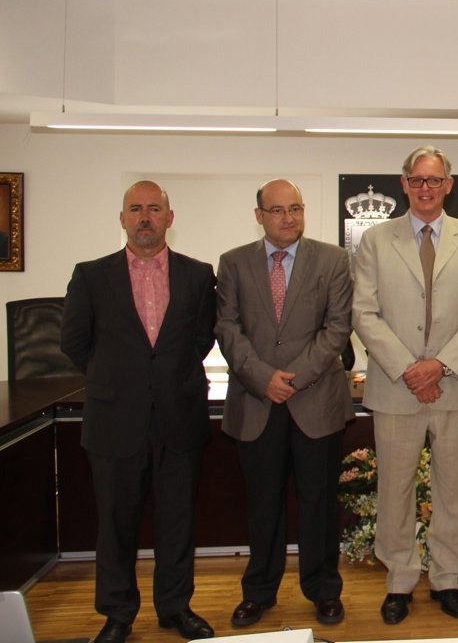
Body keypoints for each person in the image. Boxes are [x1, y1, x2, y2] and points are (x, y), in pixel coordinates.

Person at [60, 181, 217, 643]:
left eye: (154, 208)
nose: (144, 217)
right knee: (115, 525)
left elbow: (202, 338)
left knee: (177, 522)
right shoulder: (91, 275)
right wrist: (118, 378)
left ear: (170, 217)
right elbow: (74, 341)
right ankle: (117, 615)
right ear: (122, 218)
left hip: (178, 416)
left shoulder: (198, 274)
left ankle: (175, 608)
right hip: (114, 420)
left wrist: (164, 377)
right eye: (135, 209)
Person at [352, 145, 458, 623]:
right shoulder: (376, 241)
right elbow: (364, 312)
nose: (426, 188)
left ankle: (447, 579)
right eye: (417, 179)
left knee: (453, 489)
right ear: (404, 184)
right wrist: (409, 368)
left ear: (448, 185)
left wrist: (441, 365)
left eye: (434, 180)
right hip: (397, 387)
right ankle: (399, 580)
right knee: (395, 489)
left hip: (455, 386)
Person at [215, 179, 353, 628]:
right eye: (277, 210)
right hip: (256, 403)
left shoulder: (332, 260)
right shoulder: (233, 263)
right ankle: (258, 592)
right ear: (259, 215)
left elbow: (337, 328)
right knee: (262, 505)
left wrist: (292, 378)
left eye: (295, 208)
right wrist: (263, 378)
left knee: (319, 504)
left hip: (315, 401)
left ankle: (323, 590)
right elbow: (227, 327)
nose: (288, 218)